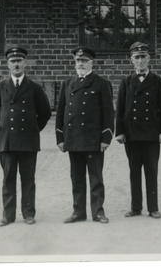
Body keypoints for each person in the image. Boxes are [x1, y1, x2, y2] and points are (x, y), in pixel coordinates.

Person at [0, 45, 52, 226]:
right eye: (13, 61)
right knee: (8, 179)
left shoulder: (34, 88)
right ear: (7, 64)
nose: (16, 64)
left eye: (19, 61)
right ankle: (8, 215)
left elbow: (45, 112)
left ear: (25, 63)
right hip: (7, 141)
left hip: (28, 141)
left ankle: (28, 213)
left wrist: (33, 129)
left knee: (28, 179)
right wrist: (4, 128)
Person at [56, 45, 115, 224]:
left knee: (96, 178)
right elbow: (60, 113)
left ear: (91, 63)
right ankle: (78, 212)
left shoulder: (101, 83)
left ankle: (98, 212)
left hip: (93, 139)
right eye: (78, 60)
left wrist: (106, 138)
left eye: (84, 60)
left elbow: (108, 113)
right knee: (77, 178)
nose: (81, 63)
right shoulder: (67, 83)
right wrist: (60, 138)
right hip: (73, 138)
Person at [115, 41, 161, 219]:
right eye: (137, 57)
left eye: (143, 57)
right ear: (131, 60)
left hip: (151, 134)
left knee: (151, 171)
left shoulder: (158, 82)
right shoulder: (126, 82)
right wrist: (119, 132)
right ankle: (136, 207)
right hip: (131, 134)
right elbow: (120, 109)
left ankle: (153, 207)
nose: (140, 61)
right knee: (134, 171)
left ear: (148, 59)